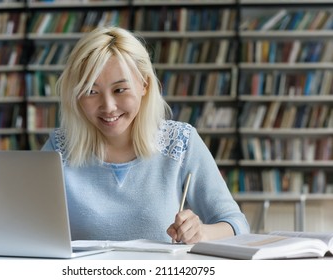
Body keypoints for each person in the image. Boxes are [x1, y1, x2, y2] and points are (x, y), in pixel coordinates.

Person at [41, 26, 249, 244]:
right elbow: (26, 226)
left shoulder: (181, 141)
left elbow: (237, 224)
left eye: (120, 90)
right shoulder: (58, 148)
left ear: (145, 85)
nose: (108, 107)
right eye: (91, 92)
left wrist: (203, 232)